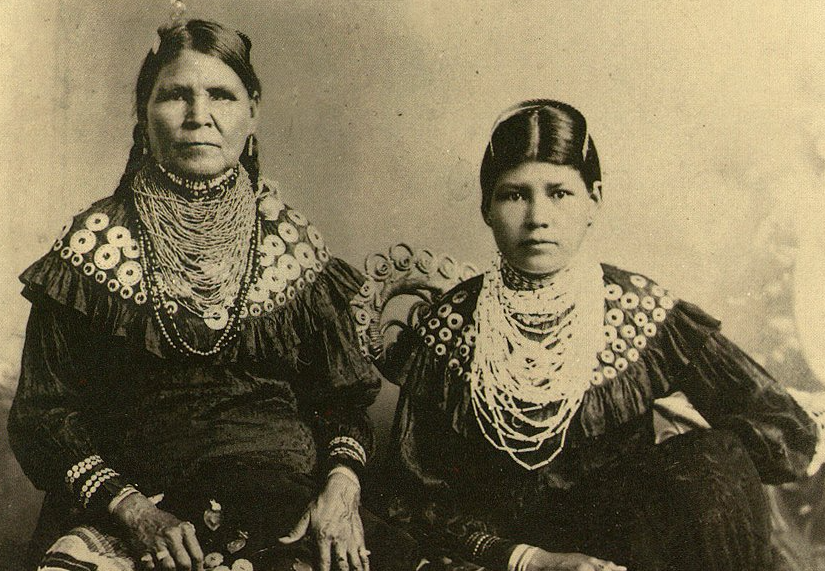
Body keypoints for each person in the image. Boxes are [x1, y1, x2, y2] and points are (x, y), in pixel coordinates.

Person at [9, 18, 418, 571]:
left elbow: (344, 404)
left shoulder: (292, 248)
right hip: (141, 512)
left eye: (221, 95)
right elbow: (41, 415)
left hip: (287, 503)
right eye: (176, 95)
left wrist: (341, 488)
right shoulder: (92, 249)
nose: (199, 116)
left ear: (252, 111)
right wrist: (130, 509)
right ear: (142, 111)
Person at [377, 100, 820, 571]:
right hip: (513, 557)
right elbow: (412, 501)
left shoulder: (638, 309)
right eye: (514, 195)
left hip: (631, 550)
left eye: (560, 194)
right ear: (486, 207)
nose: (537, 217)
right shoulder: (449, 328)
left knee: (715, 456)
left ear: (594, 202)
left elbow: (784, 427)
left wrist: (686, 462)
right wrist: (531, 560)